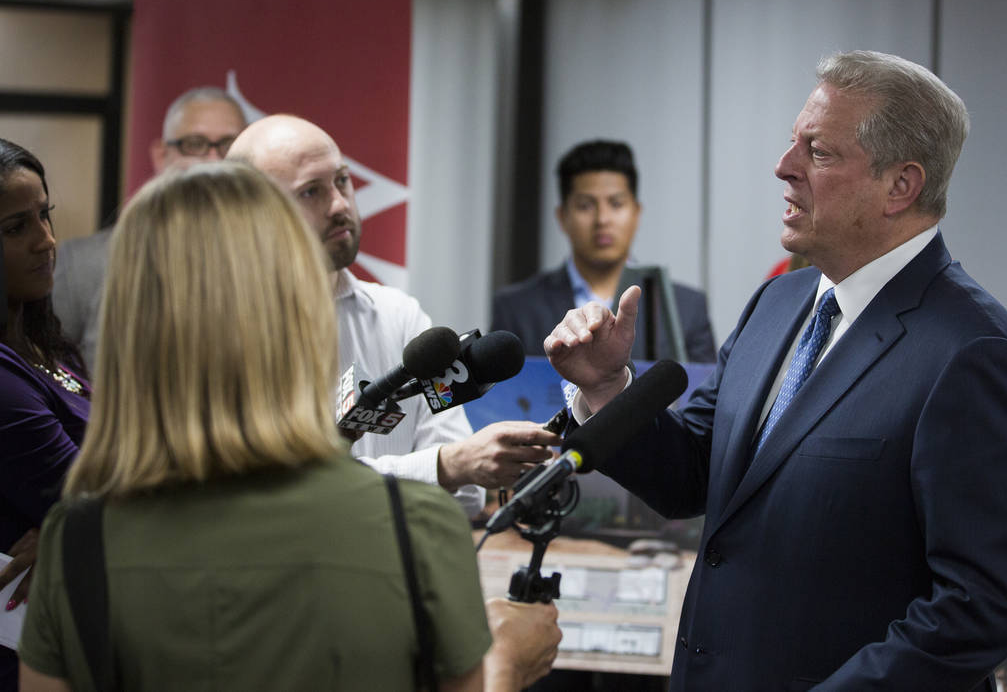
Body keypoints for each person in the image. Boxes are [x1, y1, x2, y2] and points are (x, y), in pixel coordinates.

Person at [544, 51, 1007, 690]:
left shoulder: (973, 351)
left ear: (901, 185)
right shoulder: (778, 302)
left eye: (819, 151)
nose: (784, 168)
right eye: (792, 144)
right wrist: (607, 386)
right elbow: (693, 474)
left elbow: (978, 609)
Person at [17, 163, 561, 692]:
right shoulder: (417, 529)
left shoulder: (75, 542)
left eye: (343, 181)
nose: (340, 202)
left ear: (128, 323)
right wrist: (506, 665)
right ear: (299, 310)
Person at [228, 116, 560, 517]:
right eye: (311, 191)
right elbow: (276, 494)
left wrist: (450, 469)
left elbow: (469, 493)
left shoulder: (399, 317)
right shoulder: (224, 330)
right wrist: (441, 468)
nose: (339, 204)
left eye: (342, 180)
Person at [51, 86, 247, 371]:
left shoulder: (275, 262)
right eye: (195, 144)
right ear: (160, 155)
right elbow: (44, 379)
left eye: (229, 144)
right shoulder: (82, 265)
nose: (214, 161)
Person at [491, 139, 716, 362]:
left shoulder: (686, 309)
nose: (602, 219)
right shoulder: (515, 309)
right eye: (585, 206)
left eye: (616, 204)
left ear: (636, 213)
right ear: (562, 217)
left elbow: (705, 395)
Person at [0, 138, 89, 692]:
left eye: (45, 215)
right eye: (16, 228)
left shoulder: (45, 343)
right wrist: (73, 518)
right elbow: (98, 499)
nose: (47, 241)